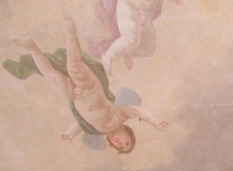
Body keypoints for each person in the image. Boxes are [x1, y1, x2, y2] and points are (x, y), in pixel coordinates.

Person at [5, 14, 169, 153]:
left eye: (120, 147)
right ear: (129, 133)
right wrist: (155, 122)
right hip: (91, 89)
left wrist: (70, 134)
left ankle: (32, 48)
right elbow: (137, 111)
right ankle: (71, 33)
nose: (121, 144)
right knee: (73, 66)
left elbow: (81, 124)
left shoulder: (97, 130)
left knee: (52, 77)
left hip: (76, 97)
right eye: (127, 143)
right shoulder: (120, 117)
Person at [91, 0, 180, 78]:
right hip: (127, 10)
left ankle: (126, 51)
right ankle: (108, 57)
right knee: (130, 39)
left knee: (137, 41)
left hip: (134, 11)